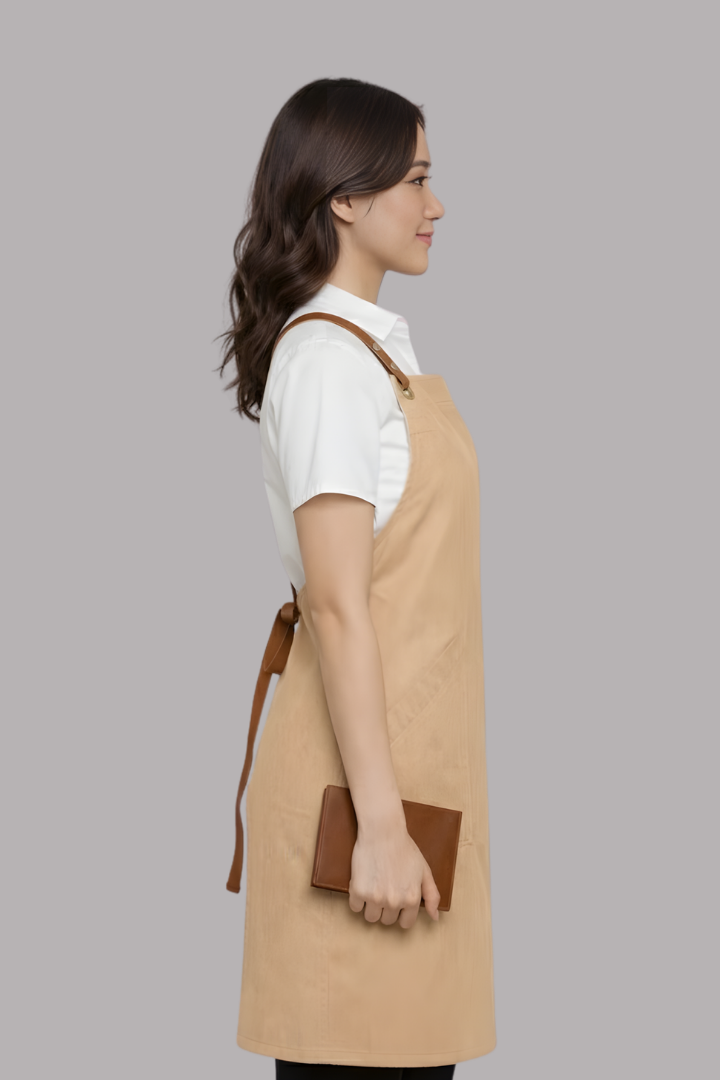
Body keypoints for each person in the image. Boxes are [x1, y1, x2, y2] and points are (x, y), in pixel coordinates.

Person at [219, 77, 496, 1077]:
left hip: (412, 785)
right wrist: (379, 828)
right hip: (365, 804)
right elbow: (336, 606)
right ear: (345, 197)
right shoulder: (330, 363)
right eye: (416, 180)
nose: (436, 205)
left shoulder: (373, 355)